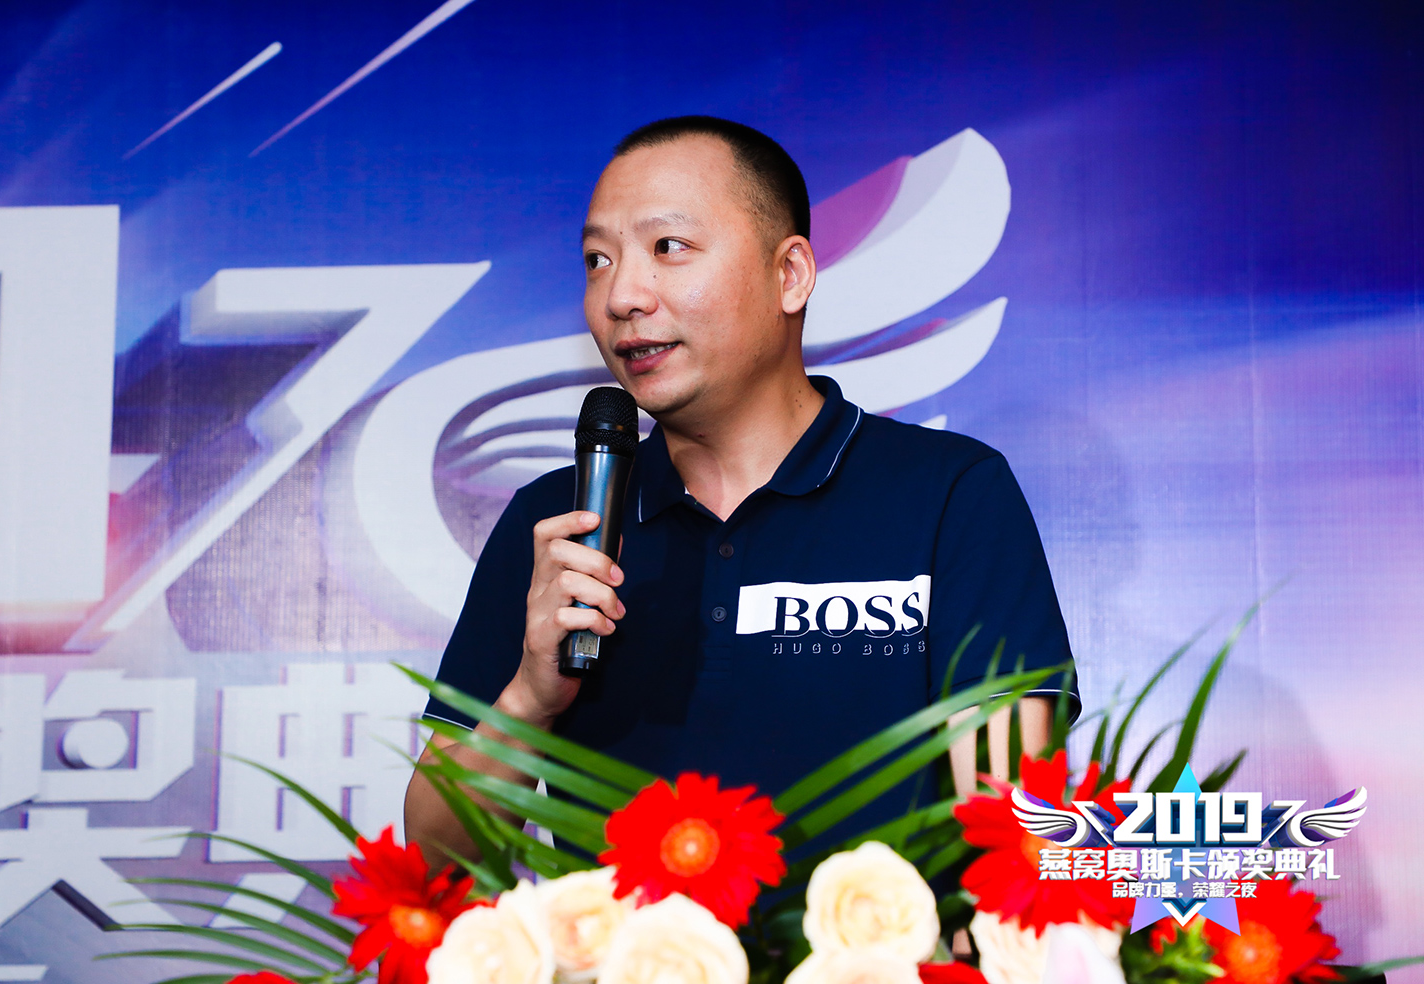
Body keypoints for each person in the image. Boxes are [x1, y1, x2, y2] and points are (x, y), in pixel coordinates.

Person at [404, 116, 1077, 870]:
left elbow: (1020, 836)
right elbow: (434, 862)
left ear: (789, 275)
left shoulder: (949, 493)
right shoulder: (558, 522)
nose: (622, 295)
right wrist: (530, 698)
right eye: (598, 260)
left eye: (668, 247)